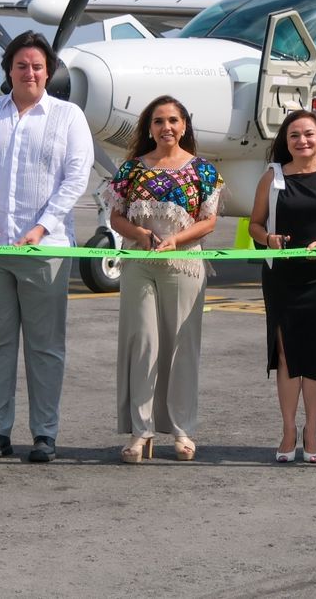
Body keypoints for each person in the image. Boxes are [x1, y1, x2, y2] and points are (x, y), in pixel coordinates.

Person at [0, 31, 94, 464]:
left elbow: (76, 179)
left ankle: (45, 434)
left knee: (45, 346)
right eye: (21, 65)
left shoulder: (68, 117)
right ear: (8, 69)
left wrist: (43, 228)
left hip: (45, 250)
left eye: (37, 66)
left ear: (49, 72)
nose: (29, 72)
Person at [104, 96, 220, 463]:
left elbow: (209, 221)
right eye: (158, 121)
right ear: (149, 128)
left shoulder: (203, 171)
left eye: (173, 120)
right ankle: (141, 431)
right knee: (142, 343)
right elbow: (117, 217)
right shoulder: (132, 170)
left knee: (182, 346)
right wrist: (140, 235)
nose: (166, 127)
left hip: (184, 264)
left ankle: (182, 429)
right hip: (140, 263)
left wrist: (176, 239)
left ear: (184, 125)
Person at [247, 109, 316, 463]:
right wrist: (269, 238)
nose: (302, 141)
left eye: (308, 134)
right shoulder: (273, 176)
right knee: (285, 353)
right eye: (294, 135)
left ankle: (311, 428)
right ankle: (287, 429)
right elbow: (254, 224)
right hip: (281, 275)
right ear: (286, 141)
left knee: (315, 352)